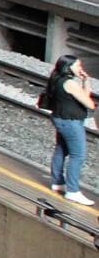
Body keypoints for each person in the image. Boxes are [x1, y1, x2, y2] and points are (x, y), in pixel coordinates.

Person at [39, 54, 96, 204]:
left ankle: (57, 182)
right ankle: (73, 190)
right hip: (71, 123)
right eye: (77, 66)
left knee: (61, 150)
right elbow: (89, 103)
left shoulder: (56, 79)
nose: (80, 69)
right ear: (68, 67)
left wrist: (86, 81)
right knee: (78, 155)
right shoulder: (71, 84)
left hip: (60, 119)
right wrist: (85, 83)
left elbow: (83, 97)